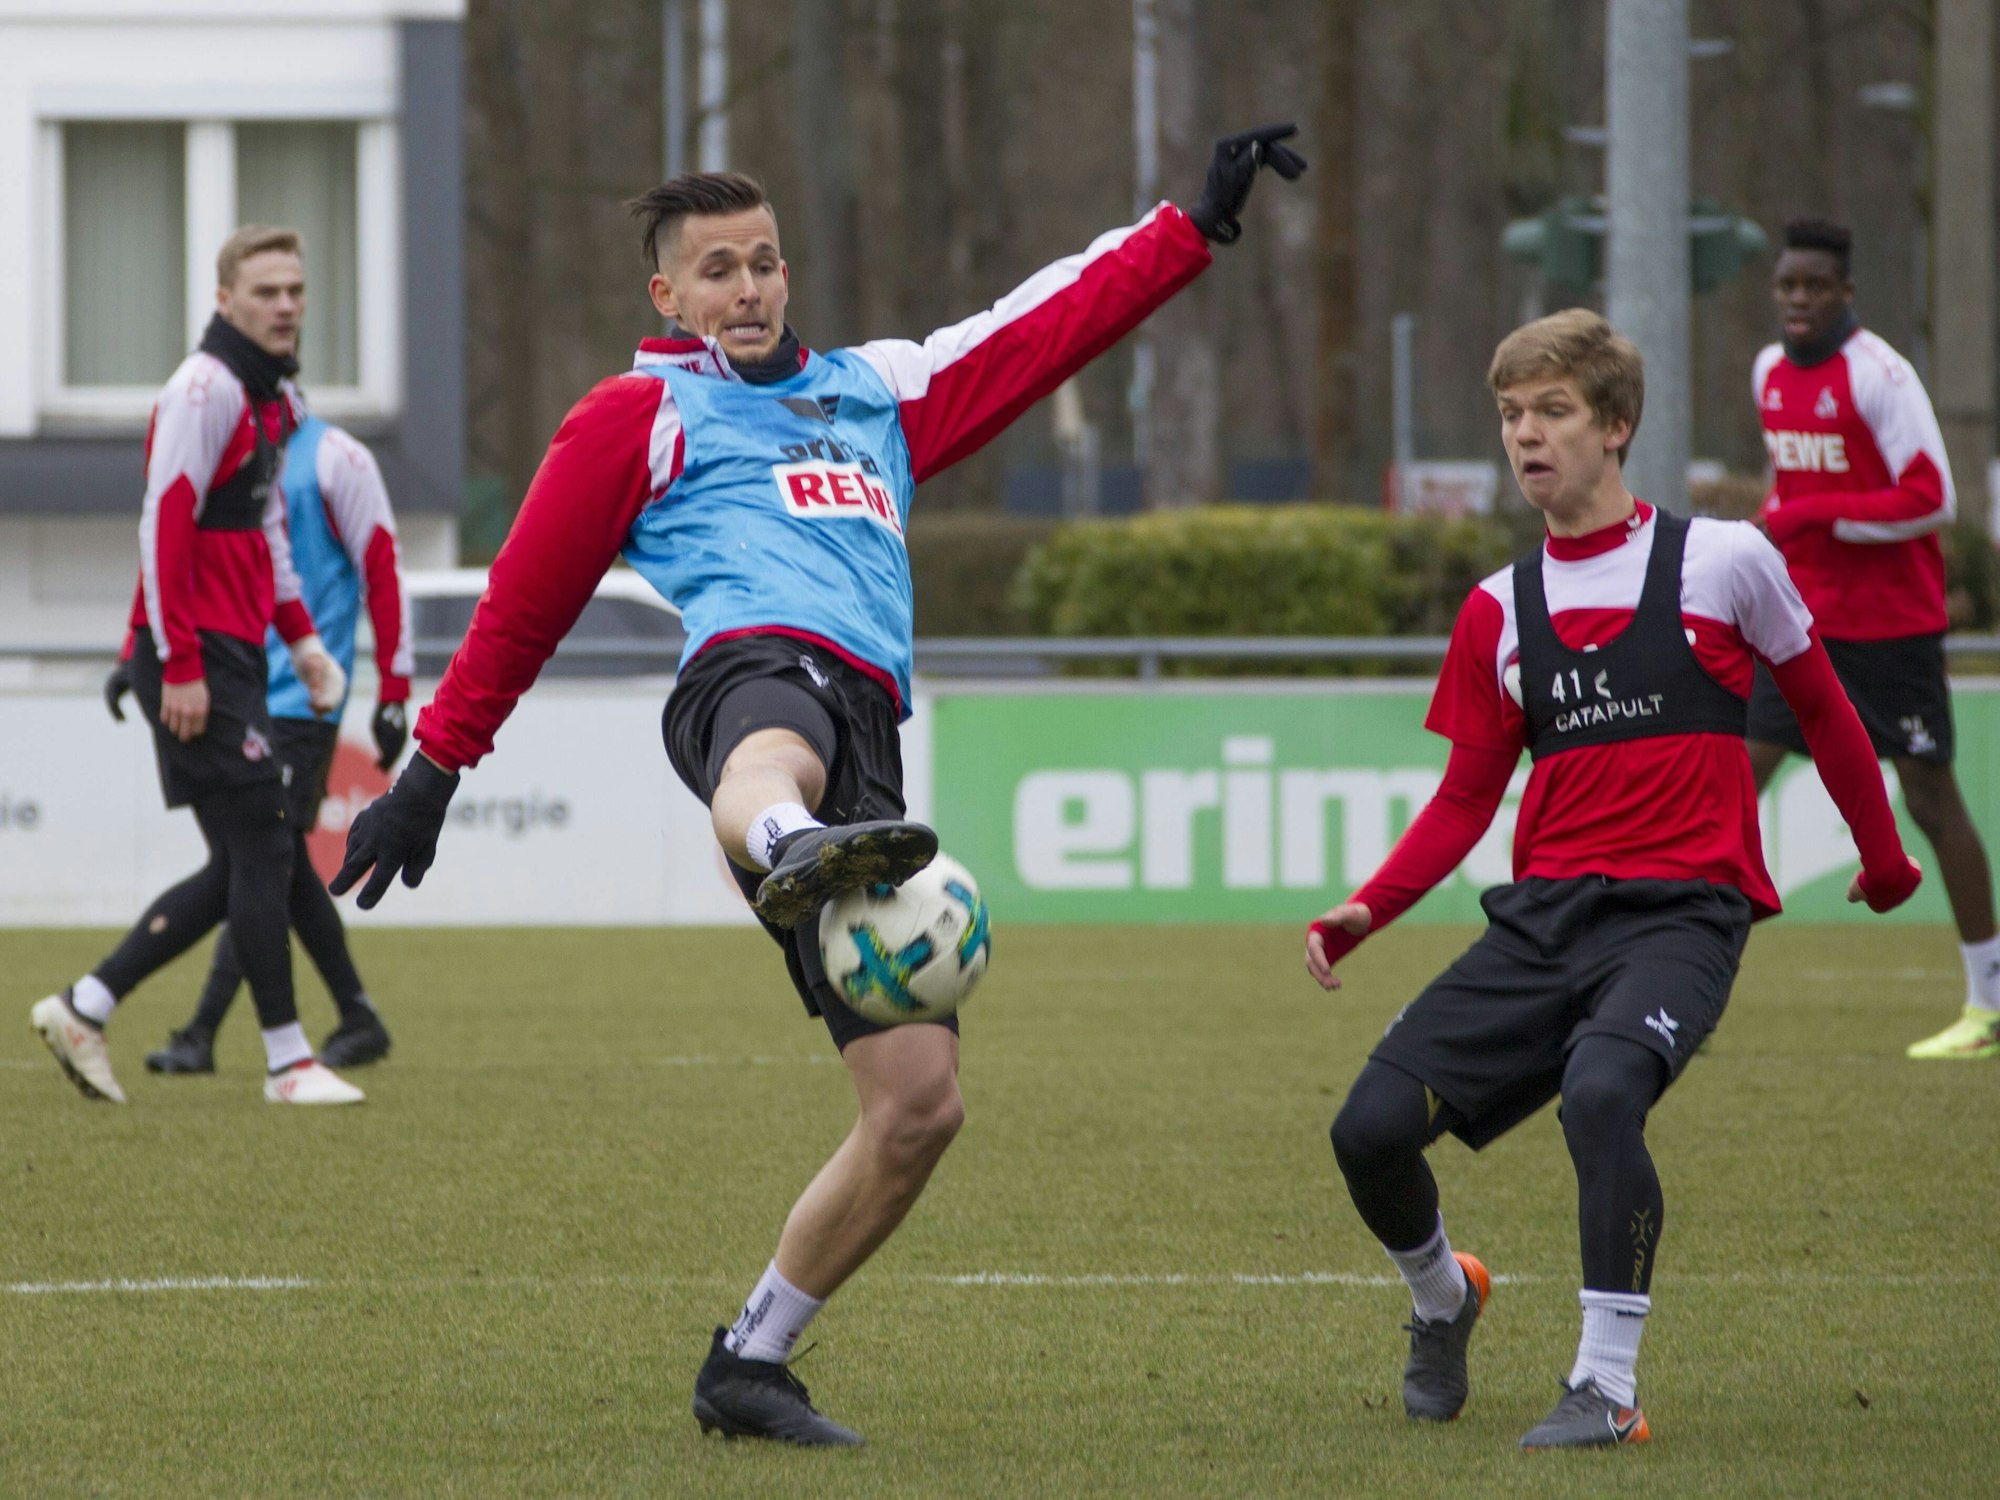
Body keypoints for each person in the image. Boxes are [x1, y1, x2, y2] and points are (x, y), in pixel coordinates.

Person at [333, 127, 1307, 1445]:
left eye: (764, 263)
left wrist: (1189, 229)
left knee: (918, 1109)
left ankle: (751, 1358)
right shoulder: (636, 416)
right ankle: (789, 837)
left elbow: (1039, 328)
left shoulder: (875, 394)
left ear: (787, 273)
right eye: (716, 271)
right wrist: (433, 773)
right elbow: (521, 604)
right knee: (771, 746)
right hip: (747, 679)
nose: (747, 288)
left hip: (870, 744)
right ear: (667, 297)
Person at [1305, 309, 1920, 1450]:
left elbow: (1827, 713)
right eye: (1509, 416)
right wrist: (1365, 909)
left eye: (1553, 411)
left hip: (1683, 914)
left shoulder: (1724, 561)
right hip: (1542, 922)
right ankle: (1443, 1299)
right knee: (1368, 1130)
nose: (1525, 435)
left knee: (1600, 1096)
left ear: (1616, 425)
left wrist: (1882, 860)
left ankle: (1605, 1386)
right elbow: (1464, 799)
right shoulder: (1497, 607)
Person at [29, 224, 365, 1109]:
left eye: (295, 289)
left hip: (232, 651)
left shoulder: (271, 396)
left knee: (247, 856)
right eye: (266, 291)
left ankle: (85, 1006)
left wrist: (302, 639)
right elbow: (164, 521)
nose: (286, 305)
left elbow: (264, 529)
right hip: (196, 658)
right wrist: (174, 659)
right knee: (267, 840)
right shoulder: (204, 390)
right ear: (224, 301)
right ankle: (288, 1061)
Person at [1750, 217, 1998, 1061]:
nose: (1799, 299)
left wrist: (1809, 516)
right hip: (1801, 625)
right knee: (1732, 781)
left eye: (1816, 286)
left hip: (1892, 629)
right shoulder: (1768, 371)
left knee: (1929, 799)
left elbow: (1932, 499)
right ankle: (1679, 985)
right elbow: (1792, 487)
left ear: (1846, 292)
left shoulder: (1879, 374)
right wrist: (1771, 533)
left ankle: (1990, 1001)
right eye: (1788, 285)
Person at [120, 409, 412, 1075]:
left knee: (259, 857)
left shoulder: (338, 457)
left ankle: (201, 1029)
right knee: (270, 859)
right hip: (236, 688)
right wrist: (132, 649)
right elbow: (168, 551)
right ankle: (356, 1016)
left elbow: (382, 566)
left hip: (304, 702)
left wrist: (394, 687)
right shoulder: (224, 448)